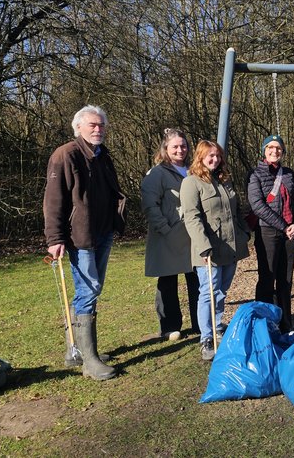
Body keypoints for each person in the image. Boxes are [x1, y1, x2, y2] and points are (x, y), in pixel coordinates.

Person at [43, 105, 126, 380]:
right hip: (81, 236)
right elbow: (53, 199)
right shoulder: (66, 154)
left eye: (101, 124)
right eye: (92, 125)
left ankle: (76, 350)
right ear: (78, 127)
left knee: (91, 288)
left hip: (102, 232)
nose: (98, 129)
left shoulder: (102, 155)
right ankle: (89, 360)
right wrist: (54, 238)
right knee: (88, 290)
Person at [180, 140, 251, 360]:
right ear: (200, 157)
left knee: (222, 290)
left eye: (218, 156)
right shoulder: (191, 183)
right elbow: (192, 217)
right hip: (208, 249)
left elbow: (236, 210)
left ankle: (217, 323)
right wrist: (203, 246)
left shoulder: (224, 180)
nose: (215, 159)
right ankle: (206, 337)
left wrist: (244, 231)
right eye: (210, 156)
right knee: (208, 291)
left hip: (230, 246)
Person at [140, 128, 199, 341]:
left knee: (197, 280)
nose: (180, 150)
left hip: (192, 235)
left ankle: (200, 323)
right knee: (167, 281)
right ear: (166, 148)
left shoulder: (193, 170)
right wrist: (165, 228)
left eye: (183, 146)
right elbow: (149, 205)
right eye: (175, 146)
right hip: (167, 236)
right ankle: (170, 326)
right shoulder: (157, 173)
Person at [248, 134, 294, 333]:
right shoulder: (255, 174)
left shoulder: (289, 174)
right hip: (267, 232)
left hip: (291, 233)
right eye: (270, 147)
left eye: (278, 148)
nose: (274, 151)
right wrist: (283, 225)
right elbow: (257, 205)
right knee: (267, 278)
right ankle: (263, 324)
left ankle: (285, 322)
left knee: (285, 279)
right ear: (264, 150)